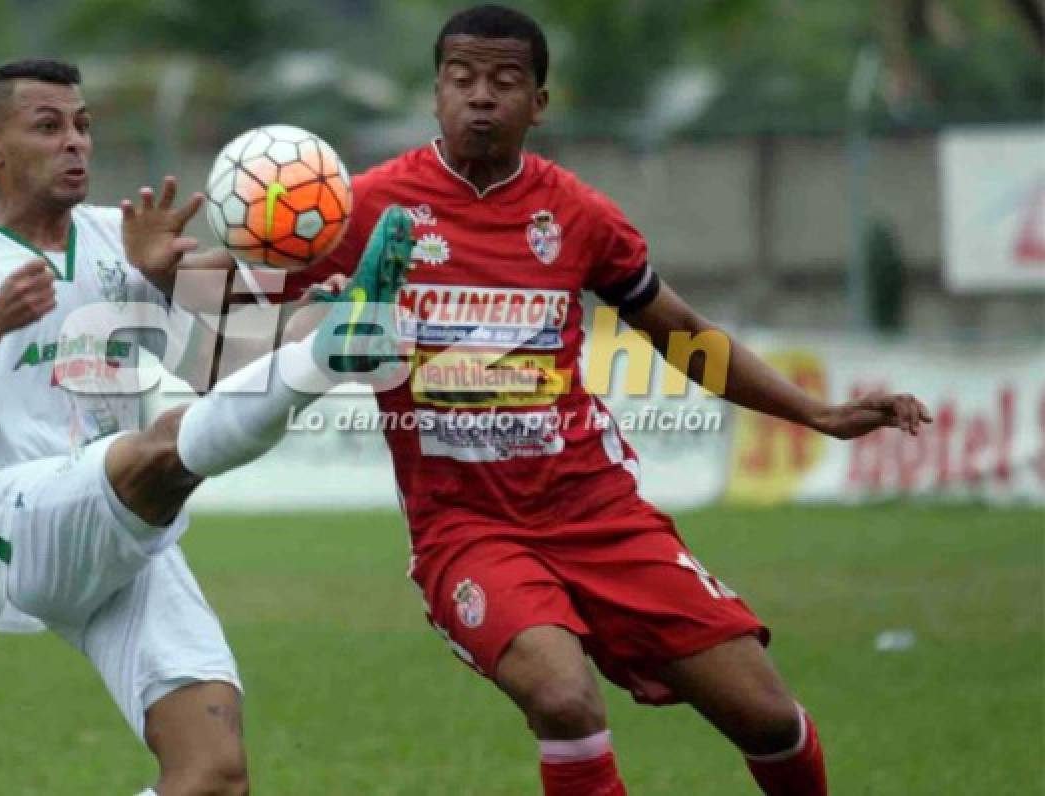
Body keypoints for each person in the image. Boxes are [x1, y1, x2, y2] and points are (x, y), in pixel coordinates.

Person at [283, 6, 931, 795]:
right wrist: (170, 270)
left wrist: (816, 413)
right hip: (467, 527)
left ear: (539, 102)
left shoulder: (578, 215)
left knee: (765, 714)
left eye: (503, 80)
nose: (480, 97)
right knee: (563, 699)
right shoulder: (367, 208)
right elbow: (244, 291)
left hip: (595, 510)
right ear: (436, 93)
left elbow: (681, 333)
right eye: (461, 79)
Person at [0, 58, 412, 796]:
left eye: (83, 125)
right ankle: (338, 345)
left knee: (215, 775)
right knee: (164, 447)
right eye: (49, 126)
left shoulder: (120, 238)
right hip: (19, 517)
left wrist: (170, 280)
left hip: (125, 526)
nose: (76, 143)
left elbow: (231, 364)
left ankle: (348, 327)